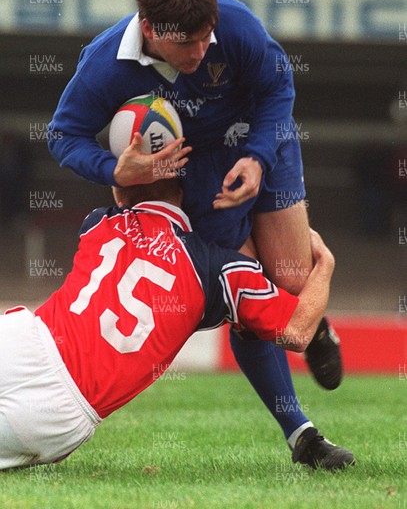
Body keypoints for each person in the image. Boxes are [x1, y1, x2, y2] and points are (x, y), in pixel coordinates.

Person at [47, 0, 348, 467]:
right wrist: (115, 172)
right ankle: (302, 435)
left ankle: (315, 325)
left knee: (293, 281)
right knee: (245, 289)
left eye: (207, 38)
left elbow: (279, 88)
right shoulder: (103, 64)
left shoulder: (233, 24)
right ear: (149, 30)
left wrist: (256, 158)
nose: (203, 49)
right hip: (189, 173)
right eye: (189, 43)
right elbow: (62, 135)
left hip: (258, 144)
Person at [0, 177, 352, 470]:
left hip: (24, 342)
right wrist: (325, 265)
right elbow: (297, 331)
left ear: (122, 187)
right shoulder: (221, 271)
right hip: (63, 410)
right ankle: (300, 432)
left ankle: (301, 432)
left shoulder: (99, 222)